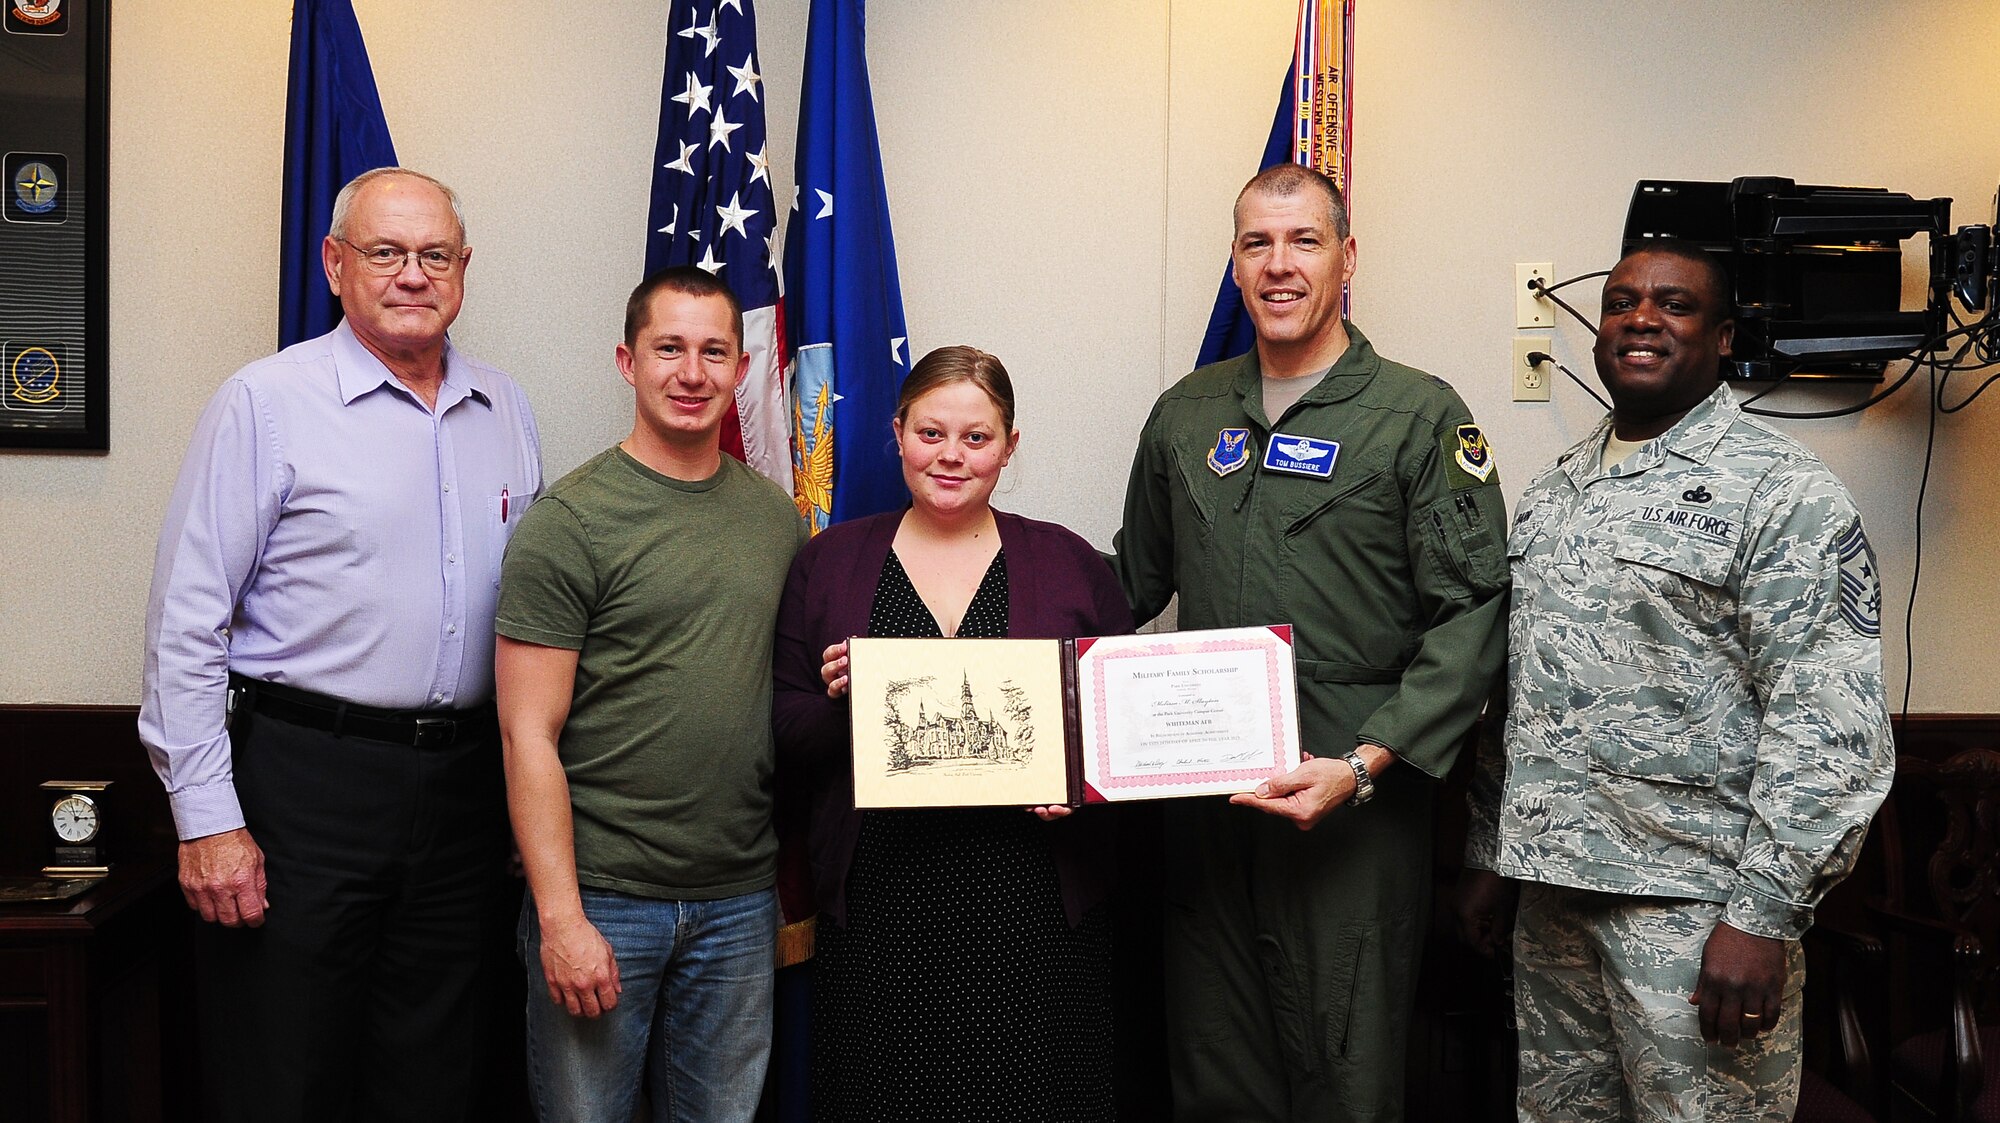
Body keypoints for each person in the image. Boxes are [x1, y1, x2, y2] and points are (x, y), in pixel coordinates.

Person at [1456, 240, 1895, 1121]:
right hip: (1553, 901)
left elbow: (1828, 725)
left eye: (1674, 304)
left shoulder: (1780, 492)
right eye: (1621, 303)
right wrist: (1489, 859)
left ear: (1725, 336)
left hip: (1696, 913)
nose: (1641, 319)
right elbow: (1523, 694)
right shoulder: (1554, 494)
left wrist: (1764, 914)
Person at [138, 167, 543, 1121]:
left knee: (440, 1078)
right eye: (386, 252)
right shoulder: (266, 400)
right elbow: (185, 619)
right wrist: (206, 819)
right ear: (334, 263)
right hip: (302, 786)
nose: (413, 274)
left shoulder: (507, 408)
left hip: (463, 795)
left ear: (464, 268)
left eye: (434, 254)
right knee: (286, 1072)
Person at [1110, 163, 1510, 1121]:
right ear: (1236, 264)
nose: (1279, 265)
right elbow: (1121, 586)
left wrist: (1365, 766)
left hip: (1352, 814)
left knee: (1346, 1078)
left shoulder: (1419, 416)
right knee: (1214, 1077)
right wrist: (973, 640)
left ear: (1347, 258)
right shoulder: (1187, 414)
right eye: (1257, 244)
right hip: (1209, 811)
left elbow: (1474, 616)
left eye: (1304, 241)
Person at [772, 345, 1136, 1121]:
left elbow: (1121, 731)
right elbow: (785, 726)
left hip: (1033, 904)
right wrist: (846, 704)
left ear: (1010, 445)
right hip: (881, 905)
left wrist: (1081, 788)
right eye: (931, 432)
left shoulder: (1070, 564)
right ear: (897, 432)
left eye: (977, 437)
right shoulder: (830, 563)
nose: (951, 455)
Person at [495, 267, 803, 1123]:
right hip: (603, 898)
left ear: (744, 370)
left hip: (740, 898)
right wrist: (561, 918)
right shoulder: (571, 521)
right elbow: (527, 733)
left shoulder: (775, 518)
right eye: (669, 348)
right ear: (627, 361)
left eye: (714, 351)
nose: (691, 372)